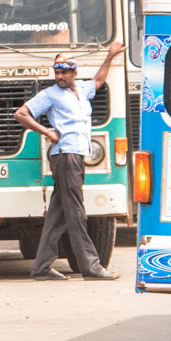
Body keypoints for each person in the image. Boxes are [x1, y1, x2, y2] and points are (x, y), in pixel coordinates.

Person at [14, 44, 127, 281]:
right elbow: (21, 114)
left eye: (64, 72)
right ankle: (91, 267)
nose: (59, 76)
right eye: (56, 72)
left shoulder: (83, 89)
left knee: (59, 213)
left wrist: (109, 56)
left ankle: (42, 267)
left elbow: (98, 80)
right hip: (65, 156)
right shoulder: (50, 94)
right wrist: (47, 131)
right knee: (76, 212)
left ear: (74, 72)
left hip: (76, 156)